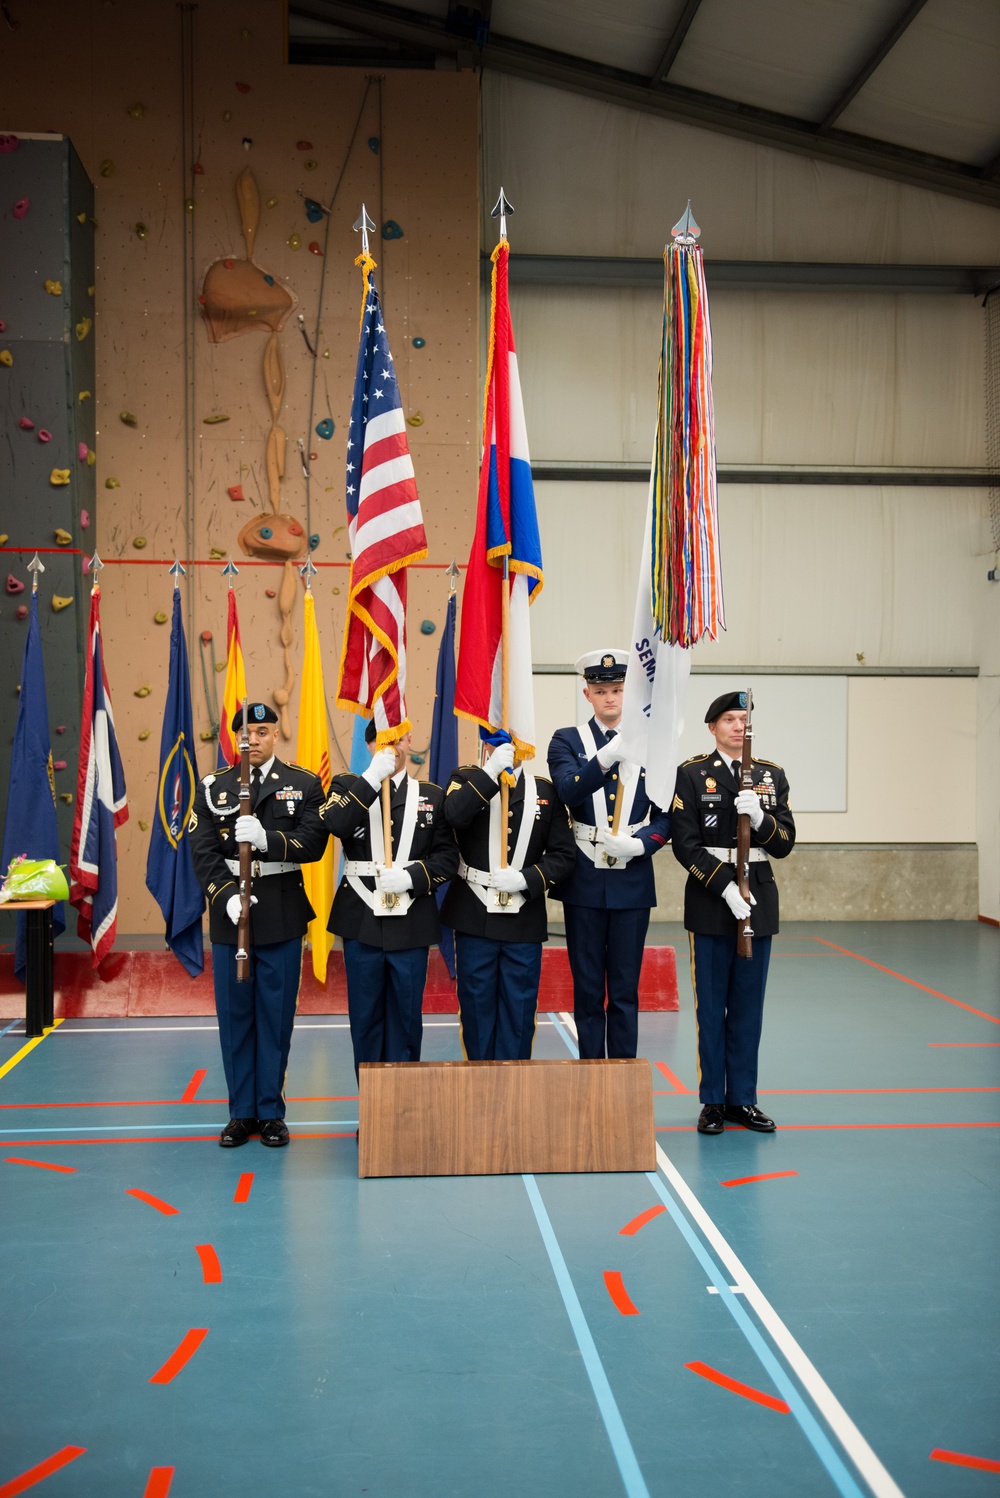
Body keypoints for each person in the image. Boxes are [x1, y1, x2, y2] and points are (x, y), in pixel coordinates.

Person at [188, 702, 328, 1148]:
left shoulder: (302, 784)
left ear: (275, 736)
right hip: (233, 917)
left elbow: (314, 843)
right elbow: (203, 851)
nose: (254, 739)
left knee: (275, 1017)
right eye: (247, 733)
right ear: (235, 738)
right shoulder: (214, 788)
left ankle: (269, 1111)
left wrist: (267, 840)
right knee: (236, 1019)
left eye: (264, 732)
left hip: (282, 914)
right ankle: (240, 1113)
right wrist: (226, 897)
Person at [670, 691, 795, 1135]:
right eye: (729, 720)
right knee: (711, 1008)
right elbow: (684, 844)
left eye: (744, 719)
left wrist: (760, 819)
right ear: (712, 727)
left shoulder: (769, 775)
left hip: (757, 900)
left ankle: (743, 1098)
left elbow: (783, 843)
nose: (739, 726)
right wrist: (724, 885)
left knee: (747, 1006)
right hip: (710, 898)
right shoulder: (691, 774)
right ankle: (713, 1103)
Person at [547, 650, 670, 1058]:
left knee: (624, 990)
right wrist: (605, 757)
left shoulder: (655, 742)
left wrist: (642, 844)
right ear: (588, 694)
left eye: (618, 690)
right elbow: (567, 791)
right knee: (586, 989)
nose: (611, 699)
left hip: (632, 878)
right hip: (583, 876)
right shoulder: (567, 740)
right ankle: (591, 1074)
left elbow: (669, 813)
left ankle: (621, 1077)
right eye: (601, 691)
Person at [321, 721, 458, 1078]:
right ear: (369, 746)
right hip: (361, 919)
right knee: (365, 1021)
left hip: (411, 921)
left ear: (410, 741)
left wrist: (412, 877)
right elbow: (334, 824)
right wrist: (370, 779)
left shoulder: (431, 795)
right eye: (384, 741)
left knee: (406, 1020)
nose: (394, 747)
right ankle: (372, 1110)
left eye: (399, 739)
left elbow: (446, 858)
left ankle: (403, 1111)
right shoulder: (348, 786)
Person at [440, 737, 576, 1061]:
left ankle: (514, 1094)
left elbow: (564, 854)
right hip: (473, 915)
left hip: (523, 919)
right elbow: (454, 816)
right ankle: (479, 1091)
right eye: (496, 740)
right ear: (484, 743)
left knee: (520, 1013)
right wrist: (489, 772)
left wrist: (527, 879)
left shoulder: (545, 790)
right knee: (476, 1012)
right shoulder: (466, 779)